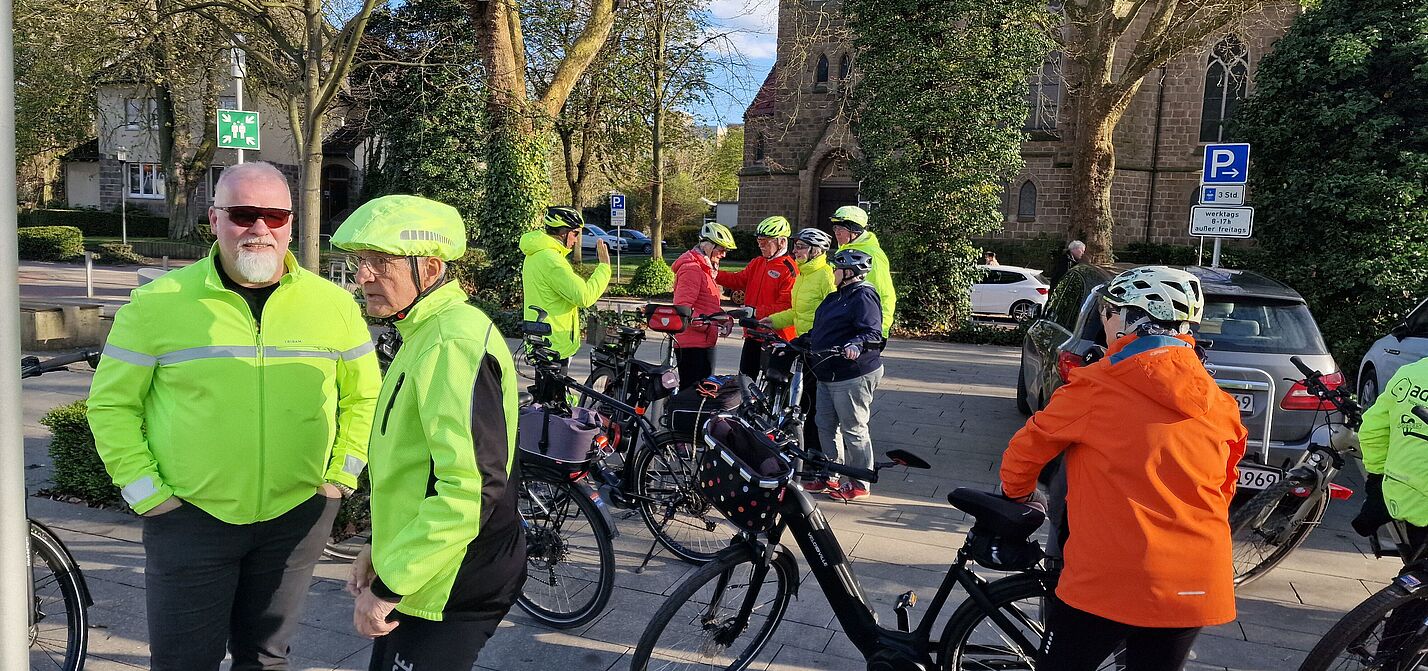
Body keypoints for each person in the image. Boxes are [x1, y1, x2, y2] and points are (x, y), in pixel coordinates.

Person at [86, 161, 381, 671]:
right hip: (190, 521)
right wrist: (148, 496)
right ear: (214, 218)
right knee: (184, 662)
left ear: (292, 221)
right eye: (244, 214)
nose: (260, 229)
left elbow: (365, 398)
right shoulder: (158, 303)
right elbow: (111, 404)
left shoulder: (334, 304)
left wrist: (340, 480)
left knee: (266, 659)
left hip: (296, 517)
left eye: (275, 215)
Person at [999, 266, 1246, 671]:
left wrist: (1019, 495)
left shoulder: (1098, 384)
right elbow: (1226, 485)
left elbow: (1026, 450)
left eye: (1109, 311)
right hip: (1195, 578)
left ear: (1133, 318)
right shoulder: (1220, 401)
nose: (1104, 320)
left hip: (1113, 576)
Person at [331, 195, 525, 671]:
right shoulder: (423, 330)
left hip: (453, 580)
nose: (363, 276)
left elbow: (469, 489)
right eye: (360, 262)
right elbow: (416, 470)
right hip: (427, 570)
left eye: (381, 262)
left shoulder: (450, 342)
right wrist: (381, 549)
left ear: (431, 268)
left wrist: (389, 585)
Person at [805, 249, 885, 501]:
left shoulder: (864, 296)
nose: (833, 272)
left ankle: (860, 482)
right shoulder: (834, 298)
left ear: (849, 273)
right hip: (827, 371)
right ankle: (831, 474)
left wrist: (856, 344)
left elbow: (873, 333)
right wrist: (795, 342)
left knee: (853, 429)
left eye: (836, 269)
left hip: (852, 373)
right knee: (824, 425)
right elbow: (820, 331)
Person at [764, 228, 838, 490]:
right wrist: (772, 320)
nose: (796, 251)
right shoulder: (803, 275)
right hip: (804, 346)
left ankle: (820, 463)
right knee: (802, 403)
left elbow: (832, 315)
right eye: (796, 246)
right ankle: (806, 458)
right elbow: (797, 313)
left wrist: (815, 338)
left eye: (801, 247)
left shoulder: (825, 276)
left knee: (816, 407)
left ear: (816, 251)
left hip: (819, 349)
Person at [520, 206, 611, 365]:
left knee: (547, 389)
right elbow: (584, 296)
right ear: (563, 232)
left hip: (540, 338)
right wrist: (604, 268)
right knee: (555, 390)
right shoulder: (552, 260)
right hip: (553, 345)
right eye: (575, 233)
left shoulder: (536, 254)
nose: (576, 240)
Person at [717, 215, 799, 379]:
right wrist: (713, 273)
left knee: (774, 386)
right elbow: (739, 280)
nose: (760, 245)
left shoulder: (789, 269)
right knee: (745, 382)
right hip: (753, 333)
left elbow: (786, 306)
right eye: (759, 241)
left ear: (782, 242)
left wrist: (755, 312)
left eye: (765, 241)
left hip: (777, 337)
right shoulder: (758, 262)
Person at [671, 222, 738, 390]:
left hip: (704, 340)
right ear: (708, 246)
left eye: (726, 251)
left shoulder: (705, 268)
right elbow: (682, 307)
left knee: (704, 392)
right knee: (692, 393)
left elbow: (707, 305)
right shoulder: (692, 269)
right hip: (691, 343)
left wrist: (723, 318)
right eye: (721, 249)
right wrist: (705, 323)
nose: (723, 255)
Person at [830, 205, 895, 337]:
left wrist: (880, 330)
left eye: (841, 228)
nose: (837, 232)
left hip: (863, 327)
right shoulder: (843, 250)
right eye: (835, 227)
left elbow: (884, 292)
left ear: (855, 231)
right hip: (844, 323)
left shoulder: (873, 254)